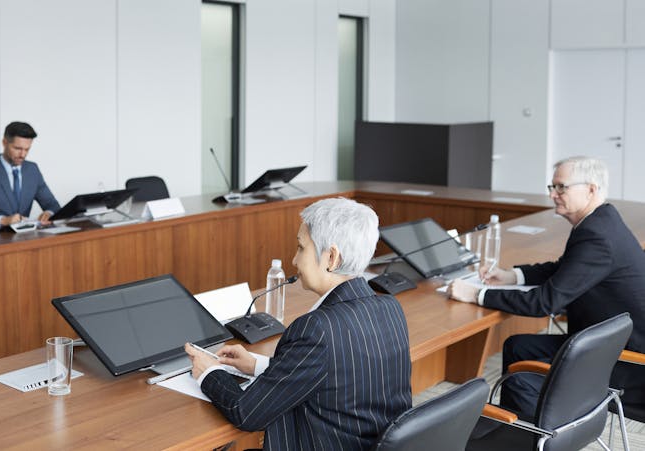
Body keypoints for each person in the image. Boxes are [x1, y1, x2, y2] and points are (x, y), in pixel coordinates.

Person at [185, 197, 412, 450]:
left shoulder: (316, 329)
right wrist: (258, 365)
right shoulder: (389, 307)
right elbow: (335, 372)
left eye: (301, 248)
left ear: (332, 257)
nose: (294, 260)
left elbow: (247, 413)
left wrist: (209, 372)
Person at [447, 156, 645, 417]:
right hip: (604, 342)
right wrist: (512, 276)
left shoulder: (598, 236)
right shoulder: (600, 222)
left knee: (520, 381)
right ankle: (518, 427)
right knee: (518, 346)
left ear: (591, 189)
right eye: (552, 187)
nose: (553, 194)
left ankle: (543, 435)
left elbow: (544, 303)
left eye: (561, 187)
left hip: (622, 362)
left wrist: (476, 294)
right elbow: (563, 268)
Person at [0, 121, 61, 227]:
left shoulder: (32, 170)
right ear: (5, 143)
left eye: (27, 149)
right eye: (17, 148)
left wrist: (49, 213)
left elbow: (53, 205)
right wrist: (3, 220)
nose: (23, 154)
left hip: (24, 238)